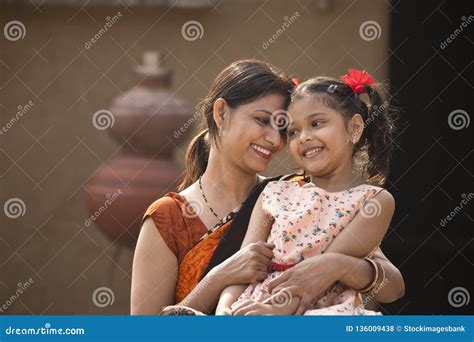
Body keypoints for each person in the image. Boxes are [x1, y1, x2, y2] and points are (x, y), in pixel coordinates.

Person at [130, 62, 404, 315]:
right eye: (262, 120)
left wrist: (334, 266)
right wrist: (219, 278)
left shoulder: (296, 194)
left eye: (283, 129)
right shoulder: (169, 218)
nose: (275, 140)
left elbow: (391, 287)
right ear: (221, 113)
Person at [217, 69, 397, 315]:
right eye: (293, 132)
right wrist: (224, 307)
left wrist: (275, 312)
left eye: (317, 123)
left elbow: (319, 273)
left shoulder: (371, 202)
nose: (303, 138)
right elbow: (245, 266)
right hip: (257, 307)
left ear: (354, 128)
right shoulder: (274, 193)